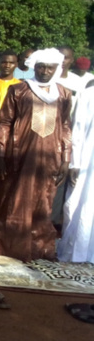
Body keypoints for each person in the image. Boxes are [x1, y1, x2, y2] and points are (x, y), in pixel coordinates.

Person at [0, 49, 73, 261]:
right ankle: (7, 247)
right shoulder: (19, 90)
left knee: (43, 203)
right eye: (40, 67)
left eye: (50, 67)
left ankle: (40, 250)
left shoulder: (63, 94)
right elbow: (5, 122)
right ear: (33, 67)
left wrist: (66, 158)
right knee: (13, 200)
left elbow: (65, 126)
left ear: (57, 69)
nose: (45, 71)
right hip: (19, 156)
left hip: (49, 158)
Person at [58, 86, 94, 263]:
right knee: (80, 206)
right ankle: (77, 254)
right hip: (88, 162)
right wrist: (75, 162)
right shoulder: (88, 94)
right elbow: (77, 129)